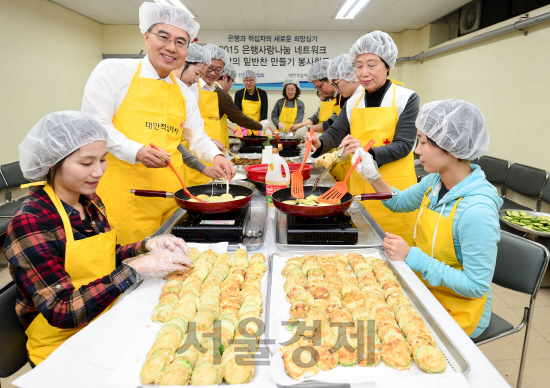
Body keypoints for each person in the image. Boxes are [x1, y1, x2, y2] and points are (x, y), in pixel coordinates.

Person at [4, 111, 194, 366]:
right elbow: (63, 311)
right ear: (52, 163)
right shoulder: (32, 223)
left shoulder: (89, 201)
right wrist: (134, 269)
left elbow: (99, 258)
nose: (98, 172)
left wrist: (145, 246)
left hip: (107, 318)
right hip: (63, 346)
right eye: (86, 163)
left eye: (103, 160)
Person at [81, 2, 235, 246]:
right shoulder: (113, 71)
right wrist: (137, 151)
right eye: (163, 37)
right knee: (129, 267)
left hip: (170, 197)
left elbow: (197, 137)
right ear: (146, 36)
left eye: (180, 42)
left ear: (188, 49)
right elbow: (95, 127)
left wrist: (216, 156)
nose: (171, 47)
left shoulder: (183, 92)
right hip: (124, 198)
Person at [352, 100, 500, 338]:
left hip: (460, 308)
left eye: (422, 142)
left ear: (449, 148)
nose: (417, 150)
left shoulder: (477, 210)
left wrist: (412, 256)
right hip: (426, 288)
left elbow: (475, 286)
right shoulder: (436, 181)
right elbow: (399, 202)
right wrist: (373, 175)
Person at [307, 31, 420, 245]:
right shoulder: (352, 101)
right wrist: (319, 142)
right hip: (360, 189)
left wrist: (365, 153)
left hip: (394, 192)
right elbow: (335, 133)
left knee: (395, 257)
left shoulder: (407, 98)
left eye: (372, 64)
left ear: (387, 65)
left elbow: (404, 145)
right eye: (358, 66)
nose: (364, 72)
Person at [189, 44, 269, 185]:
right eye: (210, 68)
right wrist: (260, 126)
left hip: (212, 148)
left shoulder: (215, 91)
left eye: (218, 70)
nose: (213, 73)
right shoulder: (190, 87)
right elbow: (237, 116)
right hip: (193, 150)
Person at [290, 60, 343, 137]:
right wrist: (300, 125)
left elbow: (332, 123)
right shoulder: (332, 97)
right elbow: (315, 118)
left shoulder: (344, 97)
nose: (321, 91)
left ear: (329, 78)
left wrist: (308, 128)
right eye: (317, 88)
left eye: (320, 87)